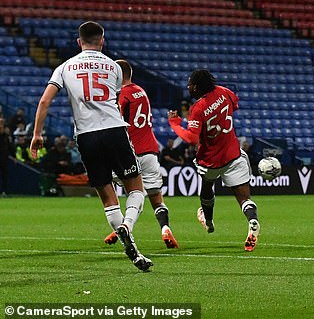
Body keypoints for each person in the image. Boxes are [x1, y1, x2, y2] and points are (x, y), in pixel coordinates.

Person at [29, 21, 152, 271]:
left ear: (78, 42)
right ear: (102, 41)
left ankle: (133, 249)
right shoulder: (114, 67)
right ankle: (127, 226)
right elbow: (113, 100)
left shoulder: (64, 67)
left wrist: (37, 134)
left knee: (108, 196)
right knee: (136, 187)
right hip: (114, 130)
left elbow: (44, 102)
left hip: (86, 136)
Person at [168, 69, 261, 251]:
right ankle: (253, 221)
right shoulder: (224, 91)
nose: (188, 87)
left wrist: (175, 124)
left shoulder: (198, 108)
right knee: (244, 198)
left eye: (190, 84)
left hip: (210, 159)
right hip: (233, 154)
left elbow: (192, 139)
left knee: (206, 187)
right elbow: (235, 104)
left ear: (197, 86)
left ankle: (209, 221)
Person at [101, 60, 179, 249]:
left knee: (110, 186)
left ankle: (124, 225)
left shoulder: (122, 96)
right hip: (150, 150)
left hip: (130, 151)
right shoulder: (141, 91)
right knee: (155, 196)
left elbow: (116, 121)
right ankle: (165, 228)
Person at [0, 117, 11, 196]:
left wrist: (13, 156)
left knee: (4, 175)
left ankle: (4, 191)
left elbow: (9, 147)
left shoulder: (6, 136)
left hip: (4, 158)